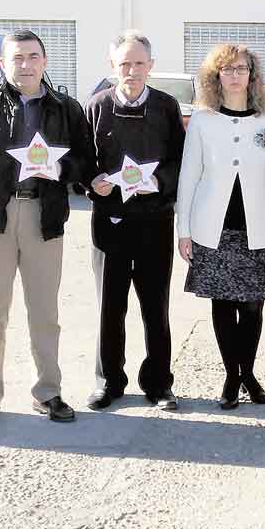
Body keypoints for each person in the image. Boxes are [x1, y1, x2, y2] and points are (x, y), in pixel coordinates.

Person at [0, 30, 91, 428]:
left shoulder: (66, 109)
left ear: (45, 62)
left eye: (33, 57)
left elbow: (85, 162)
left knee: (45, 312)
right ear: (2, 64)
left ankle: (48, 392)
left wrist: (60, 168)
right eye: (17, 58)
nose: (25, 65)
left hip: (43, 217)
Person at [176, 44, 265, 409]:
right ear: (216, 76)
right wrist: (184, 229)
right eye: (228, 69)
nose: (235, 75)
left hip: (258, 228)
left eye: (242, 68)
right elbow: (189, 175)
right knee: (223, 304)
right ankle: (231, 377)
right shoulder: (203, 119)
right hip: (213, 227)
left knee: (253, 307)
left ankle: (248, 374)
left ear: (252, 75)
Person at [84, 30, 186, 411]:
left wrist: (159, 182)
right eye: (124, 63)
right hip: (109, 222)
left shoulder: (165, 106)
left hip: (155, 221)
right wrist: (92, 181)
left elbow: (181, 160)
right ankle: (108, 381)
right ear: (113, 66)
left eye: (139, 63)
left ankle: (158, 383)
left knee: (154, 306)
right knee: (109, 306)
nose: (132, 70)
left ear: (151, 66)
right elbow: (82, 158)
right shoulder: (96, 106)